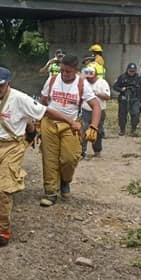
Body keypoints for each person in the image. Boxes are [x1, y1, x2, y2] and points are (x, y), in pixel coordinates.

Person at [0, 66, 97, 247]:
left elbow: (46, 111)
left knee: (2, 188)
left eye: (0, 85)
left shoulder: (20, 99)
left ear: (8, 84)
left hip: (12, 146)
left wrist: (71, 121)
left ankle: (1, 231)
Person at [38, 55, 101, 207]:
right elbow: (43, 101)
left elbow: (96, 106)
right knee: (49, 158)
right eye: (62, 70)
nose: (64, 74)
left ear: (76, 70)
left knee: (70, 158)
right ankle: (51, 192)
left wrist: (94, 126)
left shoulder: (82, 84)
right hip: (50, 123)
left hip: (72, 125)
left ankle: (65, 180)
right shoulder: (52, 80)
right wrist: (36, 120)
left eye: (68, 71)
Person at [80, 67, 110, 158]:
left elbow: (107, 96)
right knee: (83, 130)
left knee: (97, 131)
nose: (89, 79)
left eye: (91, 77)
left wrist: (96, 93)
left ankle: (97, 151)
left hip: (99, 111)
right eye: (87, 77)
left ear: (96, 75)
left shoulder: (102, 82)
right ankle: (82, 151)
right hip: (85, 111)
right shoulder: (83, 83)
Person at [113, 63, 141, 136]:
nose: (132, 73)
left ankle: (133, 129)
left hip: (135, 98)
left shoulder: (138, 78)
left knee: (135, 113)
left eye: (133, 71)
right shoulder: (122, 77)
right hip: (124, 98)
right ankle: (122, 129)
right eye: (130, 71)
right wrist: (121, 89)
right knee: (122, 115)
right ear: (127, 70)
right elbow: (114, 87)